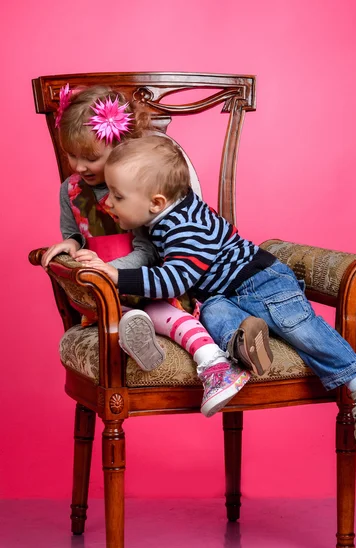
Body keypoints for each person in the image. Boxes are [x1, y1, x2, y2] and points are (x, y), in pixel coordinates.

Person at [78, 135, 356, 444]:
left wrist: (116, 276)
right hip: (223, 294)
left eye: (118, 197)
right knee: (215, 315)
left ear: (156, 201)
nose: (109, 202)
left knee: (298, 328)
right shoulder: (164, 215)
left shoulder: (185, 227)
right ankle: (244, 346)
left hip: (260, 281)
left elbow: (173, 281)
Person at [41, 85, 253, 417]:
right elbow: (74, 232)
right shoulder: (69, 190)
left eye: (91, 157)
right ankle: (139, 339)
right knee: (123, 315)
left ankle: (210, 359)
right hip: (101, 290)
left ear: (120, 147)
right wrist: (71, 243)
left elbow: (149, 250)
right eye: (72, 155)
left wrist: (113, 271)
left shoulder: (134, 194)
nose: (79, 166)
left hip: (144, 283)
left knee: (162, 313)